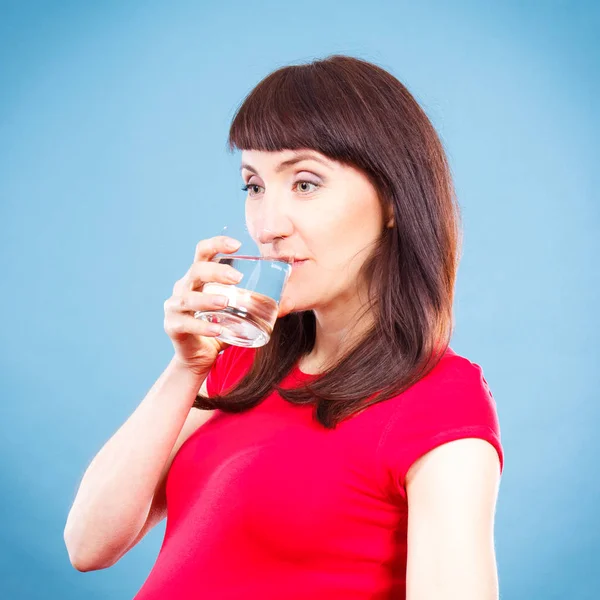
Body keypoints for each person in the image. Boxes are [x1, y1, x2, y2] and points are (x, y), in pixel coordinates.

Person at [64, 55, 504, 600]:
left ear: (392, 200)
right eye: (254, 186)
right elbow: (88, 545)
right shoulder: (238, 363)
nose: (268, 227)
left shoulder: (441, 400)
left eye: (304, 183)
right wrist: (186, 366)